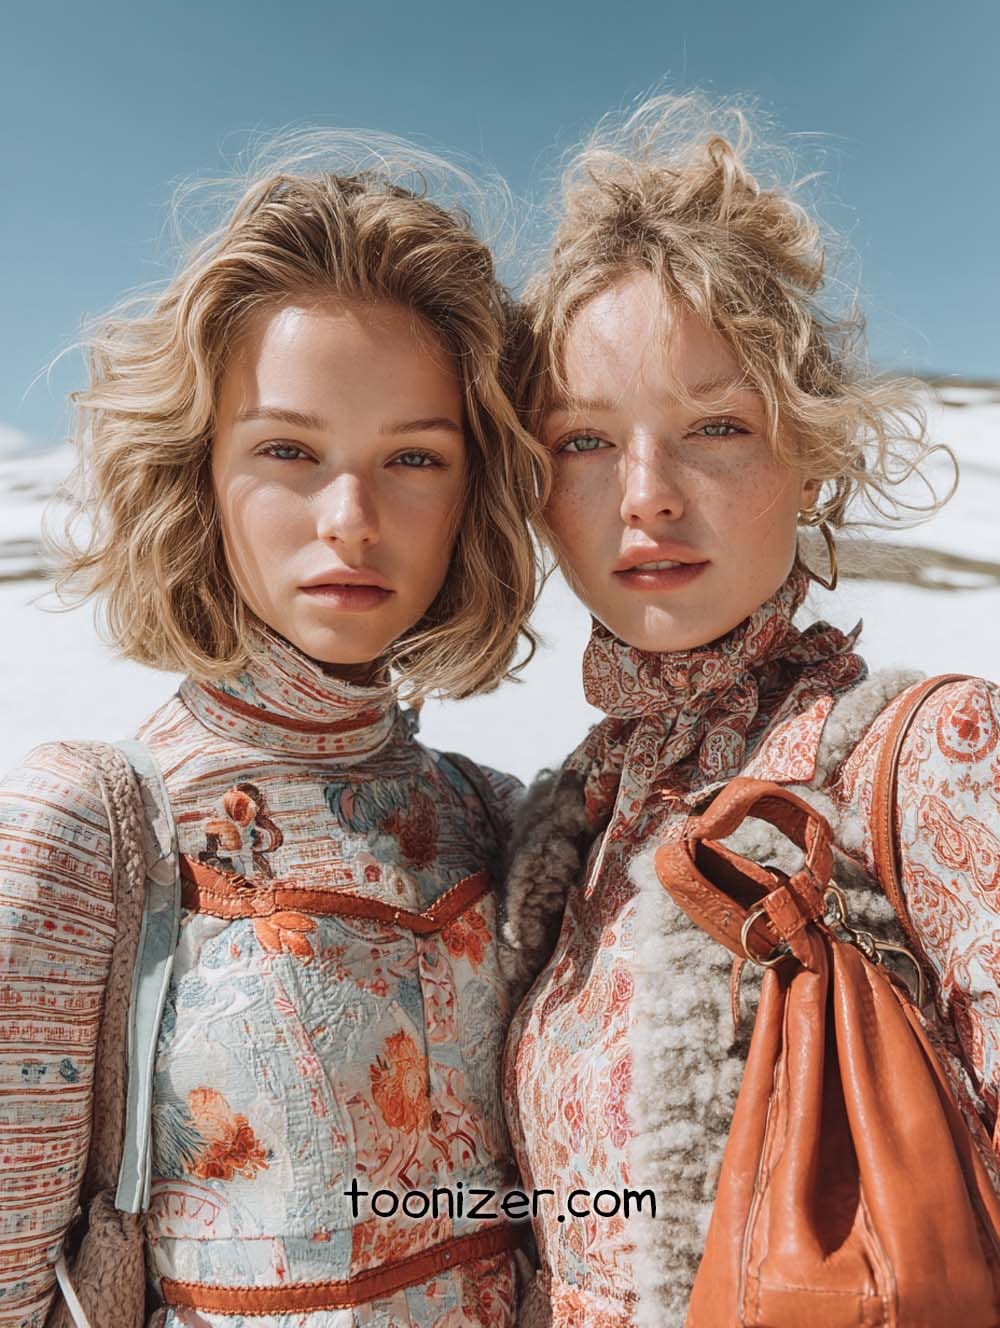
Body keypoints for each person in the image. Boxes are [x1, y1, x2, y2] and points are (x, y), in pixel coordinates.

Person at [0, 139, 548, 1326]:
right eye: (289, 452)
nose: (351, 519)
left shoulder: (506, 819)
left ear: (475, 492)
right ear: (201, 471)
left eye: (413, 457)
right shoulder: (89, 827)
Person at [500, 94, 1000, 1326]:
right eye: (585, 441)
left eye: (713, 427)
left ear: (810, 449)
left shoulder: (933, 754)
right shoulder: (572, 813)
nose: (647, 496)